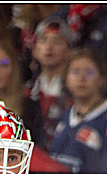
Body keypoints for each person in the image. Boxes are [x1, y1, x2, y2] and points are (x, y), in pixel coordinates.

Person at [47, 48, 107, 174]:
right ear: (66, 78)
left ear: (102, 78)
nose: (81, 78)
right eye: (75, 72)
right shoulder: (62, 118)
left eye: (89, 72)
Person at [27, 18, 75, 147]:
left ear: (69, 51)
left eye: (57, 41)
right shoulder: (27, 90)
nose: (49, 47)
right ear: (35, 50)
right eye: (43, 40)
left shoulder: (75, 92)